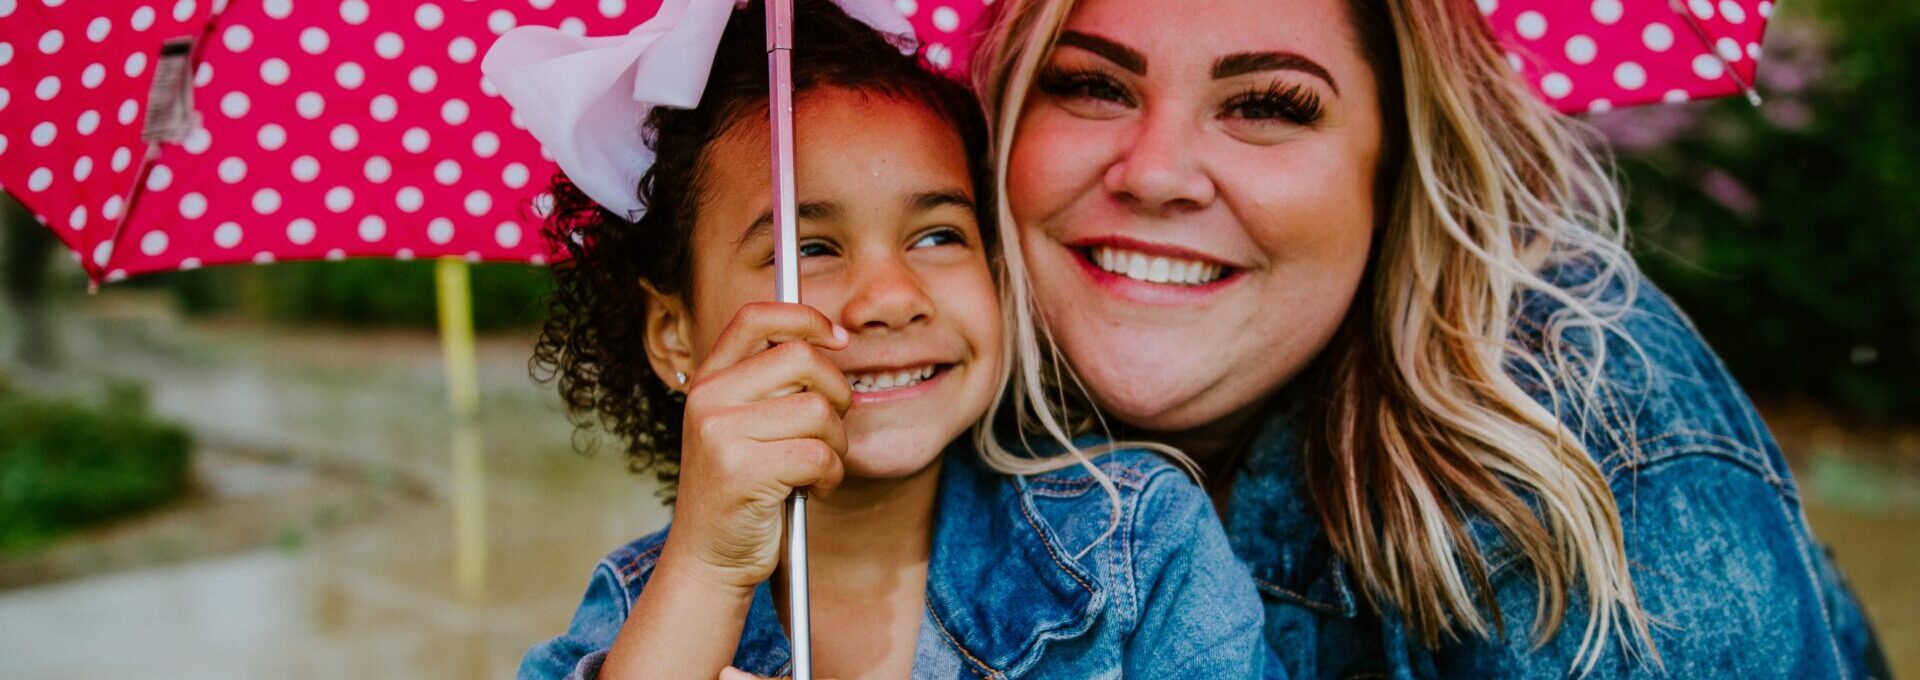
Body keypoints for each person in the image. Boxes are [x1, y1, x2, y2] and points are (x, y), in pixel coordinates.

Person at [970, 0, 1890, 677]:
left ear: (1397, 165)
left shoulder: (1575, 446)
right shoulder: (902, 380)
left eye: (1270, 106)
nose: (1157, 172)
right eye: (1091, 85)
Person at [485, 1, 1269, 678]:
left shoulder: (1135, 544)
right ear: (673, 334)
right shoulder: (633, 608)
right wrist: (707, 570)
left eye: (936, 236)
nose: (892, 299)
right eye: (811, 250)